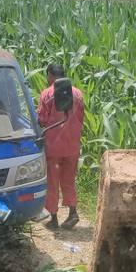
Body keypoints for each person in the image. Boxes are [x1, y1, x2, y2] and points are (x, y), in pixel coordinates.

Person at [37, 63, 84, 231]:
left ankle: (54, 218)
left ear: (50, 75)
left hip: (53, 146)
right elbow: (81, 118)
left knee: (52, 181)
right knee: (68, 180)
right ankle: (73, 213)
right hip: (72, 145)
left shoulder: (46, 94)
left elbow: (42, 119)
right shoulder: (77, 93)